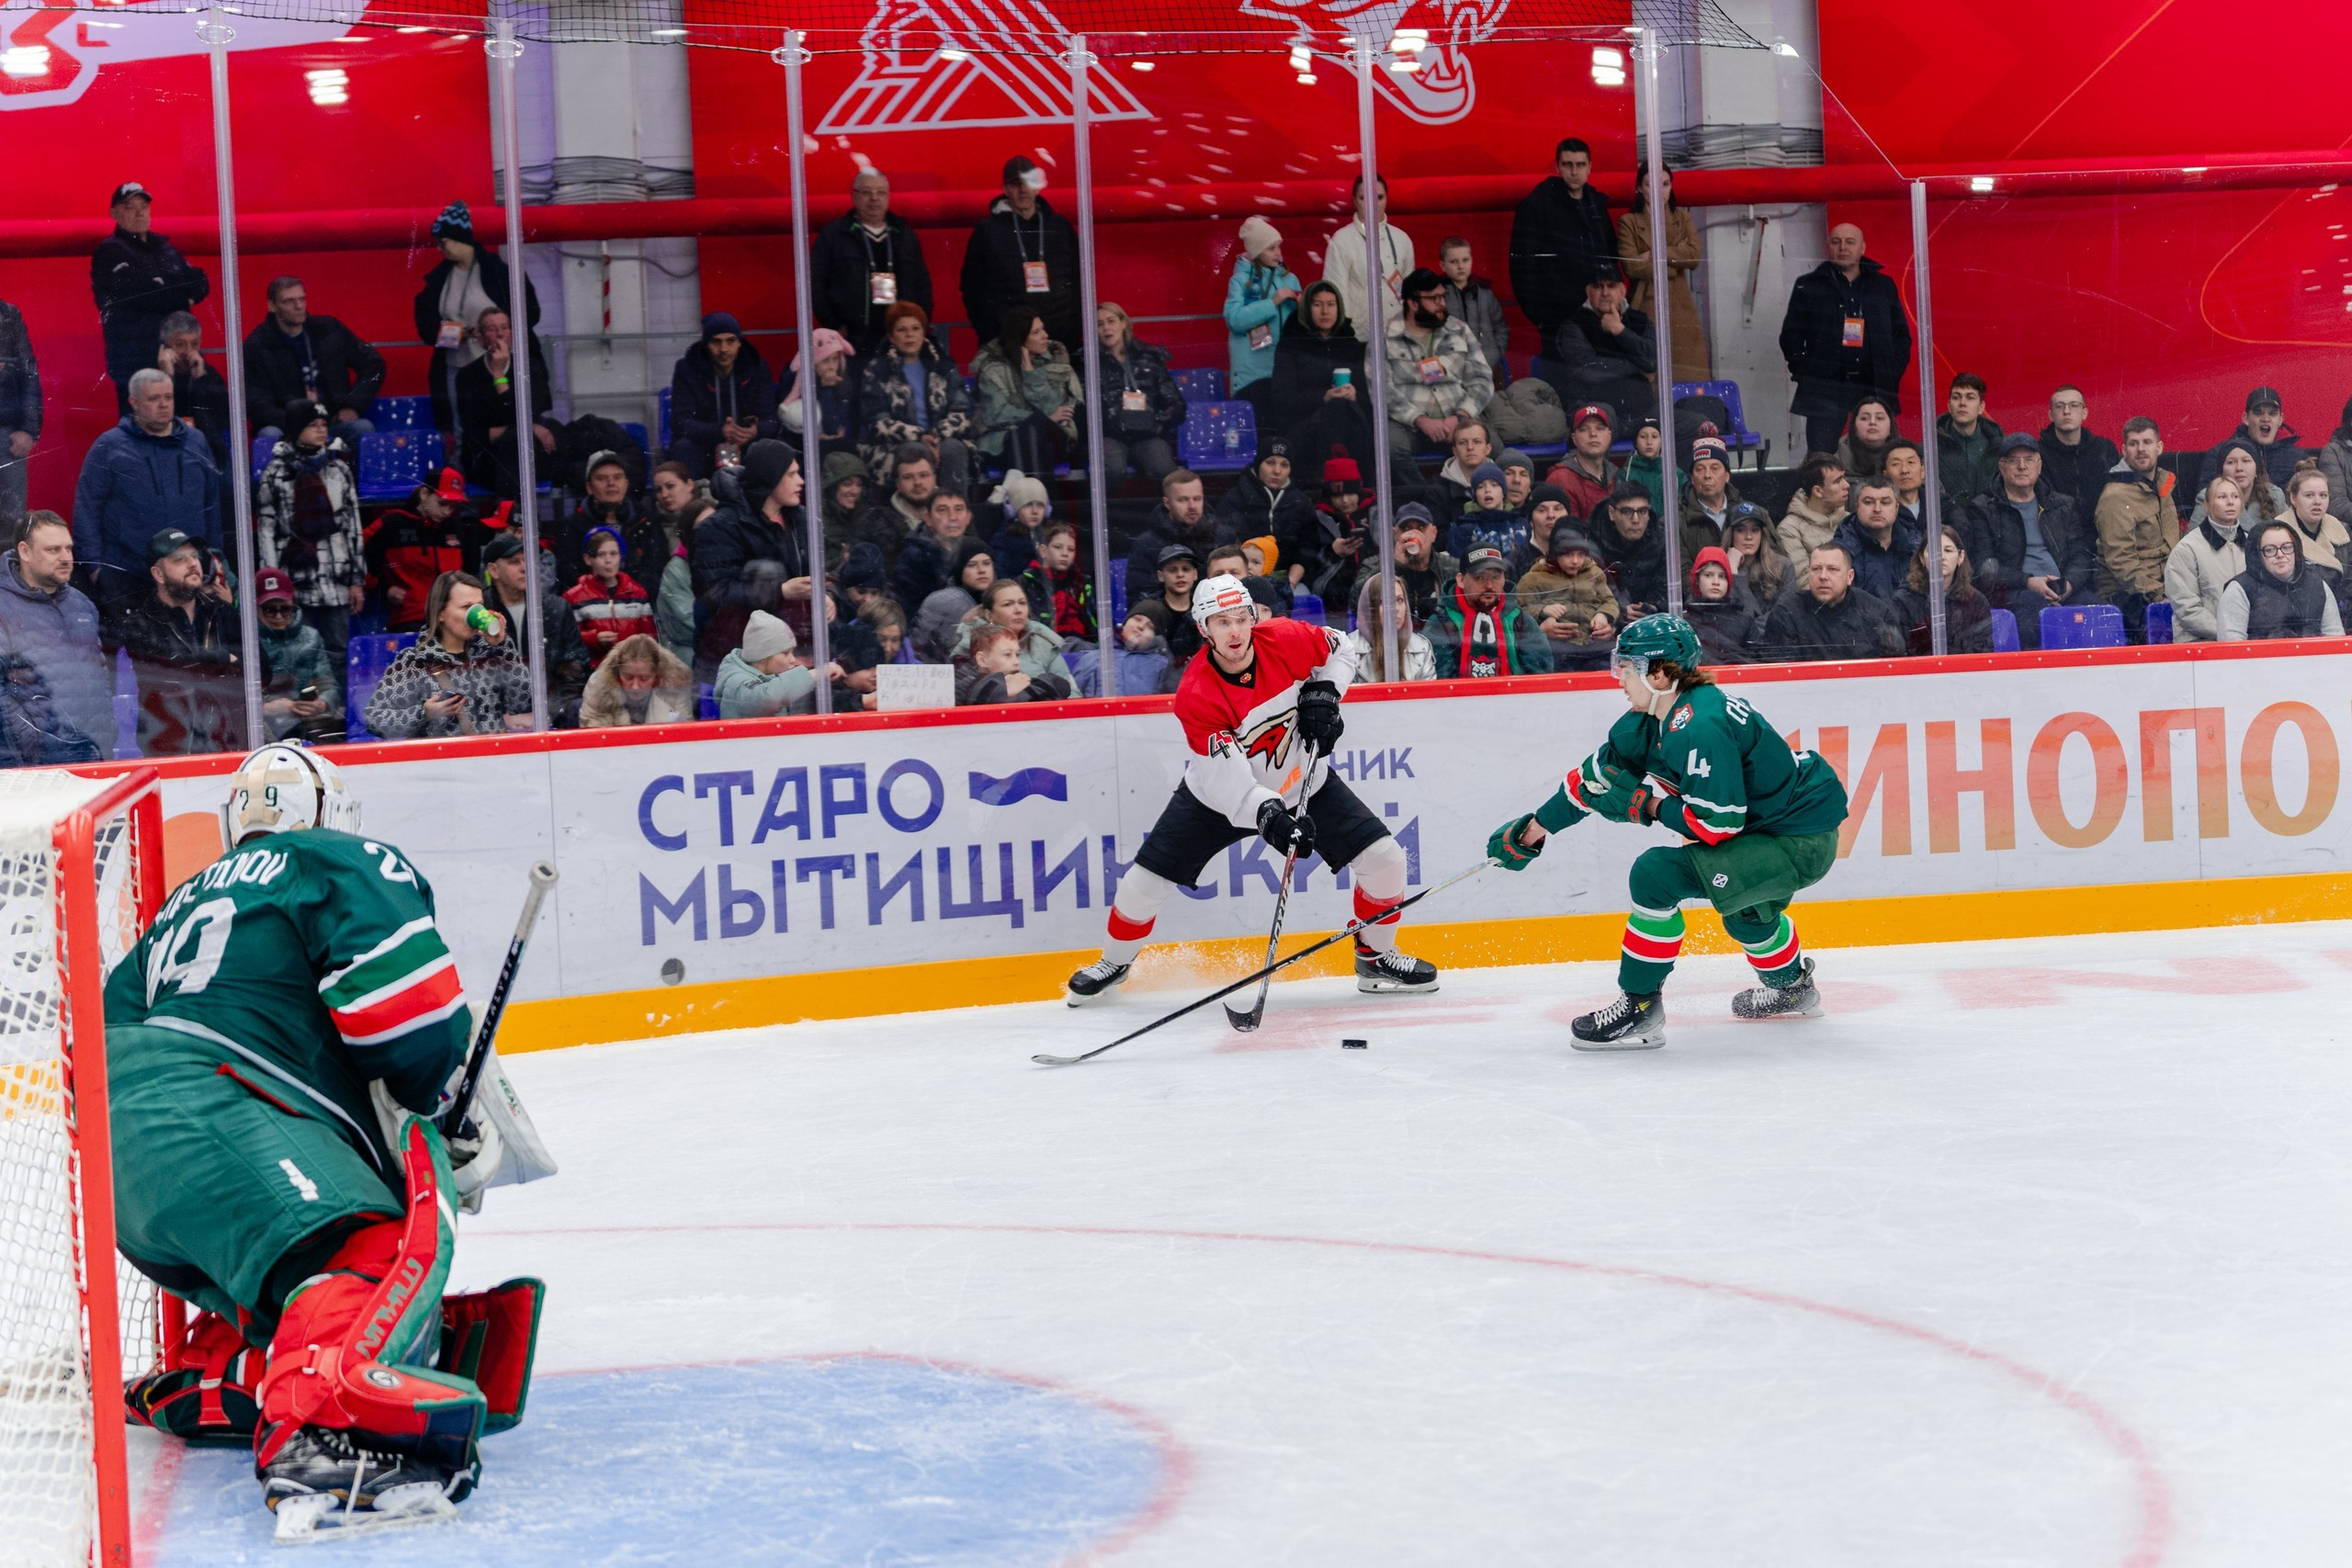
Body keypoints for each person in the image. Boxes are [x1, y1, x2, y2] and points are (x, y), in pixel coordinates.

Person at [104, 746, 534, 1532]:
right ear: (331, 814)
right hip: (214, 1114)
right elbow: (408, 1018)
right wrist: (442, 1104)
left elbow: (106, 1028)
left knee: (286, 1265)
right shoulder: (330, 856)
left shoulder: (173, 911)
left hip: (119, 1165)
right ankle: (323, 1433)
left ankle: (222, 1373)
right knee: (365, 1245)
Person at [1485, 613, 1850, 1049]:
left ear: (1659, 672)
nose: (1618, 677)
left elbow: (1718, 823)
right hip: (1766, 828)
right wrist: (1534, 830)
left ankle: (1639, 1006)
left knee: (1655, 875)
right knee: (1745, 909)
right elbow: (1591, 782)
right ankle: (1793, 989)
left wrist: (1648, 805)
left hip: (1800, 838)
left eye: (1628, 667)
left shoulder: (1700, 725)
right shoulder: (1649, 721)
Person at [1065, 574, 1436, 1002]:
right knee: (1143, 884)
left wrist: (1325, 692)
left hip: (1305, 783)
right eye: (1222, 623)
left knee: (1385, 860)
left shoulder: (1286, 637)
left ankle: (1375, 958)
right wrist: (1270, 815)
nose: (1236, 631)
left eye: (1241, 618)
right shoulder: (1197, 694)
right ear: (1204, 630)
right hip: (1217, 800)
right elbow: (1231, 781)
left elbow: (1340, 648)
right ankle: (1114, 962)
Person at [72, 367, 220, 615]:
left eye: (168, 397)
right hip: (128, 575)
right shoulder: (108, 446)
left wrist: (215, 559)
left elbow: (213, 505)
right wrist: (96, 569)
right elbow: (86, 507)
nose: (164, 405)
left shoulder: (197, 441)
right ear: (134, 402)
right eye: (154, 399)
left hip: (187, 576)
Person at [1779, 222, 1911, 458]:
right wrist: (1805, 371)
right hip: (1825, 386)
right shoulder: (1808, 285)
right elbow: (1791, 335)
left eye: (1850, 242)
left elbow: (1901, 336)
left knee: (1881, 456)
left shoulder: (1883, 286)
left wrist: (1891, 370)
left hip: (1874, 384)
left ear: (1862, 247)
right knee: (1821, 457)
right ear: (1828, 246)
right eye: (1836, 242)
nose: (1843, 248)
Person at [413, 200, 537, 436]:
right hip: (455, 365)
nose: (440, 248)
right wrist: (455, 331)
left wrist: (493, 329)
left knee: (500, 423)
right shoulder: (439, 278)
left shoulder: (498, 272)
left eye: (444, 242)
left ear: (460, 239)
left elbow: (530, 312)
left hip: (495, 364)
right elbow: (425, 323)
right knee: (460, 430)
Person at [1960, 433, 2096, 649]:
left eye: (2029, 459)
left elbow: (2080, 554)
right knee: (2032, 615)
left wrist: (2068, 584)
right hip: (2016, 590)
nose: (2022, 466)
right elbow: (1983, 567)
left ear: (2039, 466)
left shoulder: (2062, 504)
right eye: (2013, 461)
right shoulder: (1983, 509)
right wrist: (2028, 582)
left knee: (2099, 613)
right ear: (2002, 467)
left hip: (2061, 586)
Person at [254, 400, 366, 660]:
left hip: (337, 576)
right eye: (313, 425)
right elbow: (267, 531)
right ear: (296, 429)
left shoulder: (339, 470)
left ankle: (335, 701)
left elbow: (353, 527)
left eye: (324, 424)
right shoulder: (276, 472)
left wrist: (357, 581)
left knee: (337, 648)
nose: (321, 430)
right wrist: (273, 583)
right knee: (297, 651)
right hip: (294, 578)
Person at [117, 527, 242, 756]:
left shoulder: (221, 612)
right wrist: (223, 658)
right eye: (180, 560)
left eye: (195, 557)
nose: (193, 564)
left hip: (226, 743)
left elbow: (262, 670)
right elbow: (168, 674)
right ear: (159, 575)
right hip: (169, 748)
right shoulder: (140, 623)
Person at [366, 570, 534, 737]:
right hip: (442, 760)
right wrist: (424, 713)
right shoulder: (415, 662)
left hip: (492, 759)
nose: (475, 615)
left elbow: (524, 703)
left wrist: (504, 647)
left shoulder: (492, 654)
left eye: (479, 606)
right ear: (440, 613)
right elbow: (375, 719)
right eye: (466, 607)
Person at [91, 182, 210, 415]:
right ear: (114, 213)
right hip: (134, 360)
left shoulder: (165, 248)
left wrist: (164, 286)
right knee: (140, 426)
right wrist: (181, 295)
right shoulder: (109, 252)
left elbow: (200, 281)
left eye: (144, 206)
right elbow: (143, 296)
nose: (139, 212)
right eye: (130, 206)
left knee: (185, 421)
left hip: (178, 359)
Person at [692, 441, 815, 667]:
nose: (801, 481)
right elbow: (714, 594)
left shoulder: (801, 520)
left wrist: (826, 596)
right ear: (771, 477)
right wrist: (780, 591)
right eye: (792, 474)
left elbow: (820, 572)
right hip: (736, 660)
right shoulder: (720, 527)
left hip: (793, 655)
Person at [0, 512, 111, 760]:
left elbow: (101, 675)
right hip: (32, 763)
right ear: (25, 552)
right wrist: (35, 744)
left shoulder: (82, 605)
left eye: (69, 549)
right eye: (53, 550)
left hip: (90, 752)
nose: (66, 558)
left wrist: (105, 733)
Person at [961, 155, 1082, 349]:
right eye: (1016, 184)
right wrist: (992, 333)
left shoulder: (1059, 227)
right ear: (1005, 189)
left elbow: (1079, 282)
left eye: (1028, 183)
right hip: (1008, 343)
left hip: (1060, 340)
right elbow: (972, 288)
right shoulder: (987, 230)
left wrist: (1074, 331)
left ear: (1037, 186)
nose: (1023, 190)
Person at [810, 169, 934, 357]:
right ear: (854, 196)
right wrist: (835, 325)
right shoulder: (834, 235)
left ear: (889, 196)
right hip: (853, 338)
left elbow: (922, 283)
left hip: (901, 337)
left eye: (881, 192)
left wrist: (921, 323)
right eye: (867, 192)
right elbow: (814, 284)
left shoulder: (904, 235)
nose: (874, 198)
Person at [855, 301, 974, 497]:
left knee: (953, 449)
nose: (909, 335)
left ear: (924, 332)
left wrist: (937, 436)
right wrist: (919, 436)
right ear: (891, 337)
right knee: (916, 452)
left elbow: (961, 413)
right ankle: (920, 518)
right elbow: (877, 423)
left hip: (941, 438)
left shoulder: (944, 366)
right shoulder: (877, 370)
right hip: (896, 444)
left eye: (915, 328)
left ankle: (955, 516)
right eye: (901, 330)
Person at [243, 277, 384, 439]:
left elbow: (373, 364)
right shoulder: (257, 345)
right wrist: (296, 422)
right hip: (286, 427)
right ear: (272, 306)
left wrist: (353, 406)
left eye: (302, 299)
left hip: (333, 422)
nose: (299, 306)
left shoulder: (329, 330)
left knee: (362, 428)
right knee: (269, 435)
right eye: (289, 301)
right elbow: (254, 401)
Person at [1385, 268, 1495, 477]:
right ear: (1413, 303)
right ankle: (1424, 500)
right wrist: (1420, 419)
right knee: (1391, 450)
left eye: (1442, 296)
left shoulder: (1459, 330)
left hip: (1458, 418)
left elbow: (1482, 379)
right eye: (1434, 298)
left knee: (1494, 448)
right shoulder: (1386, 335)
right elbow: (1382, 390)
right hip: (1408, 424)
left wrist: (1459, 417)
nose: (1442, 303)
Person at [358, 472, 493, 636]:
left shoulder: (457, 528)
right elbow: (355, 552)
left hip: (454, 619)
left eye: (453, 505)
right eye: (442, 503)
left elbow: (469, 573)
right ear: (424, 494)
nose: (447, 511)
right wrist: (383, 588)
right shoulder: (391, 524)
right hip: (410, 618)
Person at [1509, 137, 1614, 340]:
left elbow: (1611, 259)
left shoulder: (1598, 206)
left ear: (1590, 167)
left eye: (1580, 165)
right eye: (1568, 164)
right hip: (1558, 320)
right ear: (1557, 167)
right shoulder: (1535, 207)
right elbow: (1522, 267)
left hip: (1599, 315)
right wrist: (1542, 318)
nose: (1574, 172)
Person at [1267, 281, 1373, 479]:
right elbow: (1282, 397)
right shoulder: (1291, 344)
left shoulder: (1350, 344)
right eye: (1317, 305)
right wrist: (1323, 397)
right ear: (1307, 308)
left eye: (1331, 304)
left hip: (1349, 422)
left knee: (1342, 409)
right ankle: (1339, 482)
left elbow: (1368, 397)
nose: (1325, 311)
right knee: (1336, 409)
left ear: (1339, 308)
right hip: (1303, 424)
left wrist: (1354, 395)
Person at [1616, 165, 1708, 381]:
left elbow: (1694, 257)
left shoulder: (1684, 218)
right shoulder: (1628, 222)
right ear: (1639, 187)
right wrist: (1676, 257)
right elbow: (1631, 267)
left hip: (1681, 306)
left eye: (1665, 184)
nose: (1659, 191)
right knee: (1650, 377)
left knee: (1687, 376)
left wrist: (1654, 253)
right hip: (1644, 303)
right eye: (1650, 185)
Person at [453, 308, 555, 500]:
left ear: (511, 334)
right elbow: (475, 435)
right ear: (481, 339)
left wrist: (513, 426)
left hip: (527, 458)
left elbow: (529, 413)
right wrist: (499, 375)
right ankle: (516, 519)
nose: (500, 334)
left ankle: (508, 517)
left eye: (504, 327)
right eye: (492, 329)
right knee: (514, 439)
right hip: (489, 461)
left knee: (516, 442)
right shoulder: (467, 376)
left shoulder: (531, 367)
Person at [2092, 416, 2178, 641]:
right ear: (2124, 450)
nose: (2141, 449)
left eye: (2147, 442)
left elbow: (2174, 545)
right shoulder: (2115, 495)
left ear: (2159, 447)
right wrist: (2160, 595)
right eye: (2134, 443)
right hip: (2129, 595)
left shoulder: (2163, 483)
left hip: (2165, 586)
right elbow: (2122, 562)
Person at [481, 532, 585, 710]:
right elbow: (477, 674)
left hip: (551, 711)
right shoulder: (481, 611)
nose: (524, 567)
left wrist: (554, 712)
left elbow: (574, 670)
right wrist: (500, 715)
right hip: (495, 716)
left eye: (526, 559)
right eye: (514, 562)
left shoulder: (558, 608)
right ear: (494, 571)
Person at [973, 308, 1081, 477]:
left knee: (1033, 437)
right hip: (1005, 442)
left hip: (1050, 439)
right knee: (1030, 437)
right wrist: (1042, 420)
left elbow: (1056, 408)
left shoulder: (1054, 362)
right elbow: (997, 414)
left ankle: (1023, 496)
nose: (1045, 335)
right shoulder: (993, 370)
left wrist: (1031, 374)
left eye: (1043, 329)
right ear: (1020, 338)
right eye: (1036, 332)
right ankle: (1041, 501)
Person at [667, 311, 776, 479]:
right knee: (684, 448)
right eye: (716, 342)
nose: (723, 349)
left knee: (775, 447)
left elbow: (771, 419)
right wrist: (719, 431)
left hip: (746, 443)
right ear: (706, 344)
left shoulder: (756, 367)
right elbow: (680, 422)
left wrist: (756, 430)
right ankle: (694, 501)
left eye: (730, 341)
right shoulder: (687, 368)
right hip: (706, 443)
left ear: (740, 342)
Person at [1545, 261, 1657, 426]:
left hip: (1643, 415)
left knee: (1690, 423)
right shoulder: (1574, 325)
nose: (1605, 293)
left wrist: (1619, 330)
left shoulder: (1639, 320)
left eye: (1611, 286)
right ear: (1589, 292)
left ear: (1622, 290)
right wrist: (1638, 367)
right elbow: (1588, 370)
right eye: (1598, 287)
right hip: (1597, 418)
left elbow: (1652, 360)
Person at [1758, 541, 1903, 661]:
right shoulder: (1787, 612)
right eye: (1816, 569)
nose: (1823, 576)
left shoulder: (1877, 613)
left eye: (1832, 569)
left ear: (1850, 576)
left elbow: (1894, 671)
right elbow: (1779, 675)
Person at [1426, 547, 1553, 678]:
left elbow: (1541, 674)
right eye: (1480, 578)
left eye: (1496, 577)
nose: (1489, 586)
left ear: (1504, 579)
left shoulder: (1519, 619)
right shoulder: (1442, 621)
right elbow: (1439, 679)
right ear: (1461, 580)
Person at [1092, 302, 1184, 483]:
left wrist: (1153, 424)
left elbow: (1175, 404)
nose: (1106, 328)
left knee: (1163, 469)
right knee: (1111, 468)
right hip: (1109, 437)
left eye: (1111, 321)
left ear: (1123, 323)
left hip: (1147, 435)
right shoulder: (1088, 362)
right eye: (1099, 324)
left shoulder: (1149, 358)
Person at [254, 567, 344, 744]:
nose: (278, 616)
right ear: (256, 608)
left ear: (293, 604)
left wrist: (322, 703)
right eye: (269, 610)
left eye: (285, 609)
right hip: (268, 724)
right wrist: (264, 709)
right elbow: (237, 699)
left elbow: (329, 684)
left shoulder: (311, 637)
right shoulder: (248, 641)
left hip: (308, 719)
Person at [1225, 216, 1301, 417]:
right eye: (1271, 248)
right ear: (1257, 252)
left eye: (1278, 247)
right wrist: (1272, 303)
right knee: (1260, 434)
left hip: (1285, 372)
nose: (1278, 253)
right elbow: (1234, 320)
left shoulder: (1289, 279)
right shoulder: (1240, 281)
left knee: (1281, 436)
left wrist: (1304, 309)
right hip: (1252, 375)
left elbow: (1299, 327)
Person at [1325, 175, 1414, 343]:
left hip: (1399, 338)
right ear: (1354, 200)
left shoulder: (1402, 239)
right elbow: (1336, 294)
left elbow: (1410, 297)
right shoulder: (1341, 240)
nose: (1373, 204)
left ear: (1386, 199)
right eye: (1364, 198)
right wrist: (1344, 338)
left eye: (1379, 197)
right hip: (1358, 339)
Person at [2219, 519, 2343, 641]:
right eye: (2270, 550)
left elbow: (2335, 639)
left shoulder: (2318, 585)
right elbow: (2232, 646)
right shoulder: (2239, 589)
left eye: (2287, 547)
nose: (2280, 554)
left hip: (2313, 660)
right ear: (2257, 554)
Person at [1124, 469, 1232, 607]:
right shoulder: (1146, 545)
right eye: (1183, 500)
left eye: (1197, 499)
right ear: (1167, 503)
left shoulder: (1223, 537)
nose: (1192, 506)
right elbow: (1140, 598)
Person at [560, 449, 664, 592]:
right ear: (589, 487)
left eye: (617, 477)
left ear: (626, 483)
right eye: (602, 478)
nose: (611, 483)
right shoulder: (572, 526)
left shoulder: (646, 520)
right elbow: (570, 574)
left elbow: (655, 570)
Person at [2163, 475, 2247, 644]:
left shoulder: (2252, 543)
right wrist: (2229, 635)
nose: (2230, 502)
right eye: (2222, 497)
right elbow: (2187, 608)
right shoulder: (2187, 549)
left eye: (2235, 496)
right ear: (2207, 505)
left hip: (2245, 640)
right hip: (2199, 641)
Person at [1515, 527, 1618, 665]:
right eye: (1568, 555)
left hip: (1593, 643)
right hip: (1558, 647)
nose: (1575, 561)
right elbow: (1520, 610)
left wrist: (1604, 615)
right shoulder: (1533, 579)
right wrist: (1542, 611)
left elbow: (1609, 600)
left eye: (1581, 555)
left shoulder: (1594, 573)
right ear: (1554, 555)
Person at [947, 577, 1066, 694]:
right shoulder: (971, 643)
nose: (1018, 610)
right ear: (989, 615)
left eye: (1022, 603)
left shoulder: (1043, 640)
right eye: (1008, 604)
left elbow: (1071, 691)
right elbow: (961, 692)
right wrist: (1003, 690)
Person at [562, 526, 657, 670]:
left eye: (614, 554)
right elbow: (569, 639)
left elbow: (650, 636)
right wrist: (594, 638)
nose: (608, 560)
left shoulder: (637, 593)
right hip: (594, 672)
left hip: (631, 672)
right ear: (588, 559)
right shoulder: (574, 598)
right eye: (601, 555)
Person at [1889, 525, 1991, 655]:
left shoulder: (1977, 601)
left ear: (1961, 557)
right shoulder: (1902, 601)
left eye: (1948, 551)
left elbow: (1983, 652)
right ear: (1921, 558)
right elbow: (1901, 653)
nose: (1941, 557)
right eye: (1933, 551)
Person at [157, 311, 233, 486]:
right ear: (165, 347)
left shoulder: (209, 375)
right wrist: (166, 377)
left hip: (207, 450)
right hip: (164, 450)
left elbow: (222, 422)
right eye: (180, 345)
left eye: (194, 344)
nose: (188, 352)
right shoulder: (150, 377)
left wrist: (201, 381)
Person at [1351, 502, 1453, 626]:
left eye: (1421, 528)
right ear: (1395, 534)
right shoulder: (1374, 564)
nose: (1413, 534)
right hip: (1393, 639)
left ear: (1434, 533)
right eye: (1405, 528)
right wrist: (1394, 564)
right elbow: (1357, 602)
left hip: (1437, 639)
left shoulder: (1450, 566)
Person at [1832, 475, 1922, 602]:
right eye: (1868, 502)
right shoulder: (1839, 551)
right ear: (1857, 506)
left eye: (1885, 503)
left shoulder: (1916, 547)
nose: (1877, 509)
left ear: (1897, 508)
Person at [2038, 386, 2120, 525]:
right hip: (2060, 535)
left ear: (2084, 413)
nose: (2067, 412)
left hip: (2103, 530)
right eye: (2059, 406)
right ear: (2051, 415)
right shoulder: (2038, 453)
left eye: (2074, 405)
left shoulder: (2104, 448)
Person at [715, 609, 817, 717]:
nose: (792, 659)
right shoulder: (736, 683)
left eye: (792, 652)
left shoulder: (770, 677)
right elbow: (766, 699)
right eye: (786, 653)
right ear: (763, 656)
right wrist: (815, 674)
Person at [578, 632, 695, 728]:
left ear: (657, 674)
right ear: (617, 672)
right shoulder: (599, 686)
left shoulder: (676, 684)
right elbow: (595, 736)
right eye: (628, 677)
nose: (635, 686)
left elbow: (681, 734)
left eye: (644, 678)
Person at [1437, 236, 1509, 387]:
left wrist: (1495, 353)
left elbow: (1500, 326)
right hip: (1453, 374)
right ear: (1443, 266)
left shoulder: (1485, 293)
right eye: (1454, 262)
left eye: (1465, 260)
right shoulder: (1438, 297)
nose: (1461, 266)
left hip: (1488, 367)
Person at [893, 486, 977, 615]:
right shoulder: (913, 557)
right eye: (942, 510)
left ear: (968, 517)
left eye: (959, 509)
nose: (952, 517)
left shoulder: (977, 550)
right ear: (928, 518)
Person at [914, 536, 996, 663]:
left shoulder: (1000, 597)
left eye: (986, 563)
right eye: (972, 565)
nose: (982, 570)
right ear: (959, 569)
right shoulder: (947, 602)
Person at [778, 326, 856, 457]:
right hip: (803, 448)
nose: (831, 366)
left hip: (837, 445)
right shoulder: (794, 383)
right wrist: (826, 390)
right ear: (813, 363)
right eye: (825, 360)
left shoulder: (845, 382)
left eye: (835, 359)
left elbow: (842, 424)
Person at [1345, 572, 1436, 683]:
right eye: (1385, 602)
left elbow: (1429, 698)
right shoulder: (1348, 650)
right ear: (1369, 607)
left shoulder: (1421, 648)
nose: (1395, 608)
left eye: (1399, 600)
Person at [0, 295, 42, 530]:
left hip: (7, 436)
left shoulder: (8, 314)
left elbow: (28, 373)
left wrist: (28, 429)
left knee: (11, 523)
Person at [1597, 482, 1668, 619]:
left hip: (1653, 620)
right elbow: (1590, 593)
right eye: (1627, 512)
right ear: (1612, 513)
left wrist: (1654, 606)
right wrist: (1619, 610)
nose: (1636, 520)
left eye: (1642, 511)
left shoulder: (1662, 540)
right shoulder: (1593, 542)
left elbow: (1669, 587)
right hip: (1607, 621)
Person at [1681, 546, 1762, 664]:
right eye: (1708, 575)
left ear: (1729, 582)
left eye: (1722, 576)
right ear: (1697, 580)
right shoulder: (1684, 623)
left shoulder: (1744, 621)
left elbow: (1757, 663)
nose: (1716, 582)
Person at [1073, 604, 1173, 696]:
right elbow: (1073, 697)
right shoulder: (1093, 658)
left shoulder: (1162, 664)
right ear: (1124, 624)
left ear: (1156, 637)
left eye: (1150, 627)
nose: (1141, 626)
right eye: (1137, 619)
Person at [1022, 519, 1094, 643]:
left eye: (1071, 549)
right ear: (1043, 551)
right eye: (1058, 547)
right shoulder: (1026, 582)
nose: (1065, 554)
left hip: (1084, 645)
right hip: (1045, 645)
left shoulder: (1082, 583)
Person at [1935, 373, 2004, 503]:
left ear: (1981, 407)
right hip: (1948, 521)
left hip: (1987, 520)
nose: (1962, 403)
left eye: (1970, 398)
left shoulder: (1997, 447)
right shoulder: (1931, 448)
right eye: (1956, 397)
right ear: (1949, 406)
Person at [1775, 454, 1849, 568]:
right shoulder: (1789, 529)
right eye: (1838, 481)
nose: (1847, 485)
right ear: (1818, 491)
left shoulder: (1850, 521)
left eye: (1844, 478)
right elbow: (1802, 580)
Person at [1136, 544, 1204, 668]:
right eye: (1172, 570)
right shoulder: (1148, 612)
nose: (1180, 574)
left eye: (1186, 569)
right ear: (1160, 576)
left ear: (1195, 574)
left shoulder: (1206, 609)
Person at [1548, 403, 1620, 520]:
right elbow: (1569, 533)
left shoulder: (1618, 476)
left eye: (1600, 428)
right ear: (1574, 438)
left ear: (1609, 436)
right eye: (1584, 429)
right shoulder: (1560, 479)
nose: (1593, 434)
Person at [2278, 460, 2347, 575]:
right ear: (2293, 498)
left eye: (2323, 495)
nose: (2317, 502)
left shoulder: (2342, 530)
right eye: (2309, 495)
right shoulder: (2276, 531)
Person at [2228, 387, 2302, 489]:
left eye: (2272, 413)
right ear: (2245, 418)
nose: (2266, 419)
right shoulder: (2223, 455)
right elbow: (2206, 499)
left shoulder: (2299, 459)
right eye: (2258, 413)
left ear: (2281, 420)